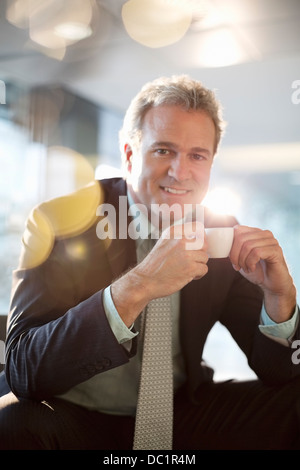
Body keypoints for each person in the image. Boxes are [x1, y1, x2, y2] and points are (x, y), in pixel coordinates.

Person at [0, 74, 299, 451]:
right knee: (12, 422)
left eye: (197, 155)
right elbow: (24, 370)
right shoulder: (61, 222)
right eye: (163, 151)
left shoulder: (222, 232)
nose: (180, 172)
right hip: (72, 415)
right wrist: (139, 284)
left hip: (179, 412)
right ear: (128, 154)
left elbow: (279, 371)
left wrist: (281, 299)